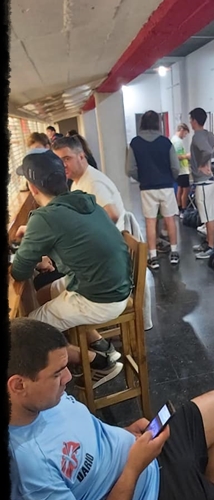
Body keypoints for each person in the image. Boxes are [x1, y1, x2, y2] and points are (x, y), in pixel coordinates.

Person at [8, 317, 214, 500]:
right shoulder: (29, 464)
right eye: (57, 373)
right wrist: (134, 466)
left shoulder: (44, 398)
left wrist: (126, 434)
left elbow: (89, 435)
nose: (69, 378)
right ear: (18, 385)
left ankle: (210, 492)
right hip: (150, 494)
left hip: (146, 458)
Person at [11, 150, 132, 387]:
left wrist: (33, 247)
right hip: (115, 285)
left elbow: (19, 272)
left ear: (32, 188)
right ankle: (100, 344)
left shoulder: (44, 218)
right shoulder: (84, 200)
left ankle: (100, 362)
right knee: (44, 295)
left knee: (29, 333)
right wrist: (34, 239)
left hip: (100, 298)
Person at [126, 110, 180, 269]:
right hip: (166, 186)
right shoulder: (166, 142)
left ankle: (153, 256)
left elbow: (130, 169)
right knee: (170, 219)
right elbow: (175, 167)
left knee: (150, 221)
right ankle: (174, 253)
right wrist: (170, 178)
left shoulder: (135, 143)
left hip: (147, 188)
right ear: (158, 123)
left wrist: (142, 178)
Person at [52, 136, 124, 230]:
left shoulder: (93, 182)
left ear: (81, 156)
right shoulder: (77, 182)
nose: (63, 165)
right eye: (59, 161)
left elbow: (112, 215)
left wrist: (86, 233)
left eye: (67, 159)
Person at [189, 107, 214, 259]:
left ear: (195, 121)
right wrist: (209, 159)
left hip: (204, 184)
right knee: (210, 215)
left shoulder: (197, 137)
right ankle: (208, 243)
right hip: (209, 182)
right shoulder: (209, 135)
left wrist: (202, 163)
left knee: (209, 217)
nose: (190, 122)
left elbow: (207, 151)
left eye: (191, 119)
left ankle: (211, 247)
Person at [171, 122, 191, 218]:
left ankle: (178, 208)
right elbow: (177, 156)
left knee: (179, 189)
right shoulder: (178, 142)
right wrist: (187, 156)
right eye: (185, 133)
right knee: (185, 190)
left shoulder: (173, 140)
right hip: (182, 170)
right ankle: (183, 210)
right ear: (182, 130)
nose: (185, 136)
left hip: (179, 170)